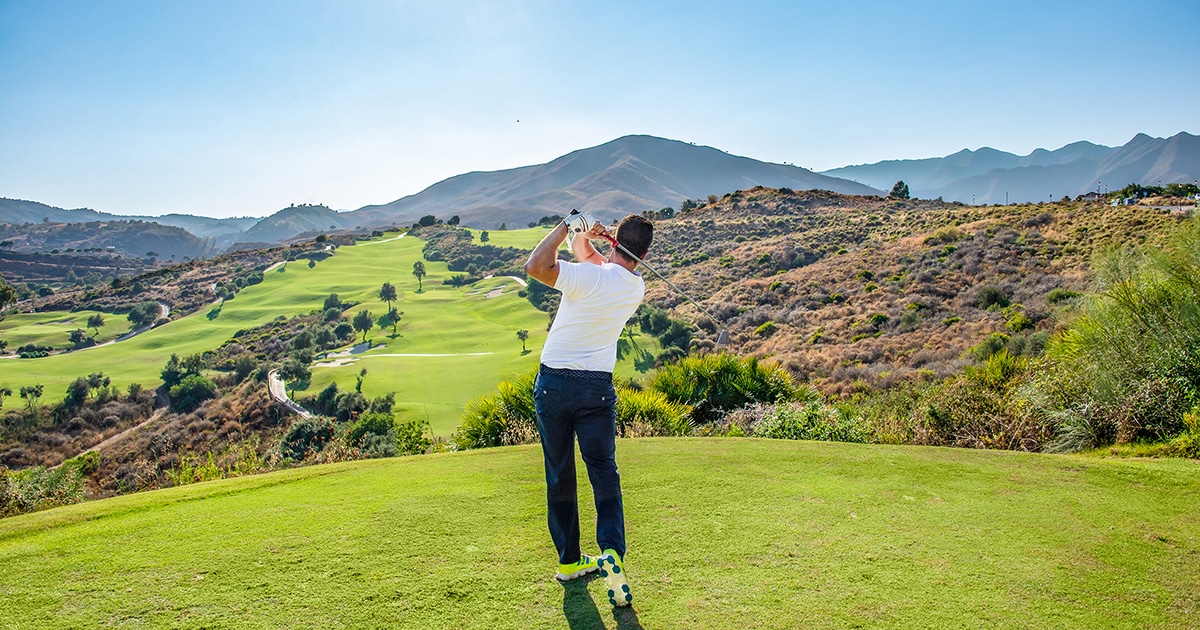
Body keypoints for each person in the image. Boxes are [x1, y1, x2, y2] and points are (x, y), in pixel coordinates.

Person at [523, 211, 653, 608]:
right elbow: (590, 259)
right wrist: (586, 236)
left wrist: (567, 226)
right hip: (596, 390)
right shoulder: (635, 287)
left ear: (616, 242)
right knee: (604, 471)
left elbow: (536, 266)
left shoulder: (590, 278)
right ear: (644, 253)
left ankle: (568, 561)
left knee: (560, 472)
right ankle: (611, 550)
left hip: (555, 385)